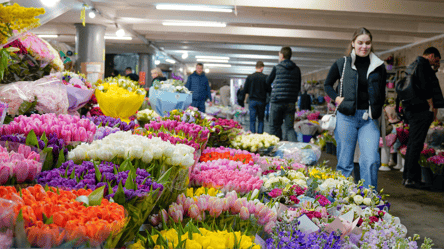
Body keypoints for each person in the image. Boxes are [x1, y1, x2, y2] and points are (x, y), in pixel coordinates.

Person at [324, 27, 386, 189]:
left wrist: (378, 108)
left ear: (371, 44)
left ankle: (369, 198)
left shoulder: (379, 66)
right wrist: (337, 98)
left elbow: (381, 91)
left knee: (371, 159)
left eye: (367, 43)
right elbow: (328, 84)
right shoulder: (342, 63)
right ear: (353, 43)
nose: (364, 46)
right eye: (360, 43)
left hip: (369, 118)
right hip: (346, 117)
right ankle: (341, 198)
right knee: (344, 162)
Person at [402, 47, 442, 189]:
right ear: (431, 56)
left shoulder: (413, 65)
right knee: (416, 145)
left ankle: (407, 177)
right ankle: (412, 179)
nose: (437, 63)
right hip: (421, 111)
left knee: (413, 144)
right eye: (437, 60)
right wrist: (432, 108)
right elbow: (426, 89)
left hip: (413, 110)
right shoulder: (423, 65)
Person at [267, 47, 300, 141]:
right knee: (289, 128)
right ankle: (294, 150)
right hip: (290, 102)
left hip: (277, 101)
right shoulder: (297, 69)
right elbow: (298, 86)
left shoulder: (277, 68)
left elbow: (268, 81)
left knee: (274, 127)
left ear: (281, 55)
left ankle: (275, 150)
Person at [244, 61, 271, 134]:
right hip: (261, 101)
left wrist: (245, 99)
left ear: (255, 67)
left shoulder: (250, 77)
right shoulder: (265, 77)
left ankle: (252, 135)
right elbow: (269, 90)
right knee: (261, 119)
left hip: (252, 100)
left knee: (252, 119)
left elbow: (245, 89)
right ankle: (260, 135)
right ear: (262, 68)